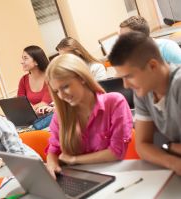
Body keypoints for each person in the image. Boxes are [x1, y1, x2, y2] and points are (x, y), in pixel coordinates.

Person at [45, 54, 133, 179]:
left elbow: (116, 152)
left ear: (82, 78)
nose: (62, 96)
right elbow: (53, 150)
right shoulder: (60, 114)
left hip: (113, 175)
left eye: (65, 87)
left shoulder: (114, 102)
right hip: (79, 178)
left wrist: (74, 159)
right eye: (56, 91)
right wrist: (52, 164)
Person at [108, 31, 181, 175]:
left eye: (129, 76)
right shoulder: (144, 92)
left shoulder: (178, 84)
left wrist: (166, 147)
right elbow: (142, 145)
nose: (126, 85)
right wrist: (173, 161)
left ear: (152, 66)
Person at [18, 45, 52, 114]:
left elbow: (44, 103)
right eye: (22, 58)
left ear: (36, 61)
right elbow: (20, 104)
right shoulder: (23, 80)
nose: (22, 62)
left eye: (25, 58)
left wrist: (27, 111)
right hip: (32, 118)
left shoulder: (50, 77)